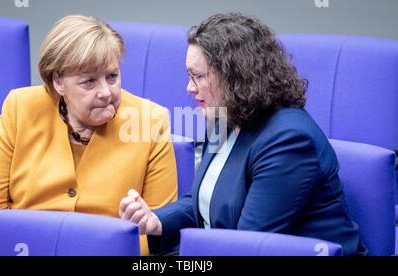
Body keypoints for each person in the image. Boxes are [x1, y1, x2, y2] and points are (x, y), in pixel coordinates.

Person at [119, 13, 366, 256]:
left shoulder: (288, 140)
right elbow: (202, 201)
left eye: (199, 76)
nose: (190, 87)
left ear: (235, 76)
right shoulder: (223, 118)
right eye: (189, 75)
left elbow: (246, 245)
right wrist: (154, 221)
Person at [0, 15, 177, 256]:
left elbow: (157, 234)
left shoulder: (150, 121)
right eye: (89, 81)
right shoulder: (20, 108)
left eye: (112, 76)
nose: (106, 92)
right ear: (58, 82)